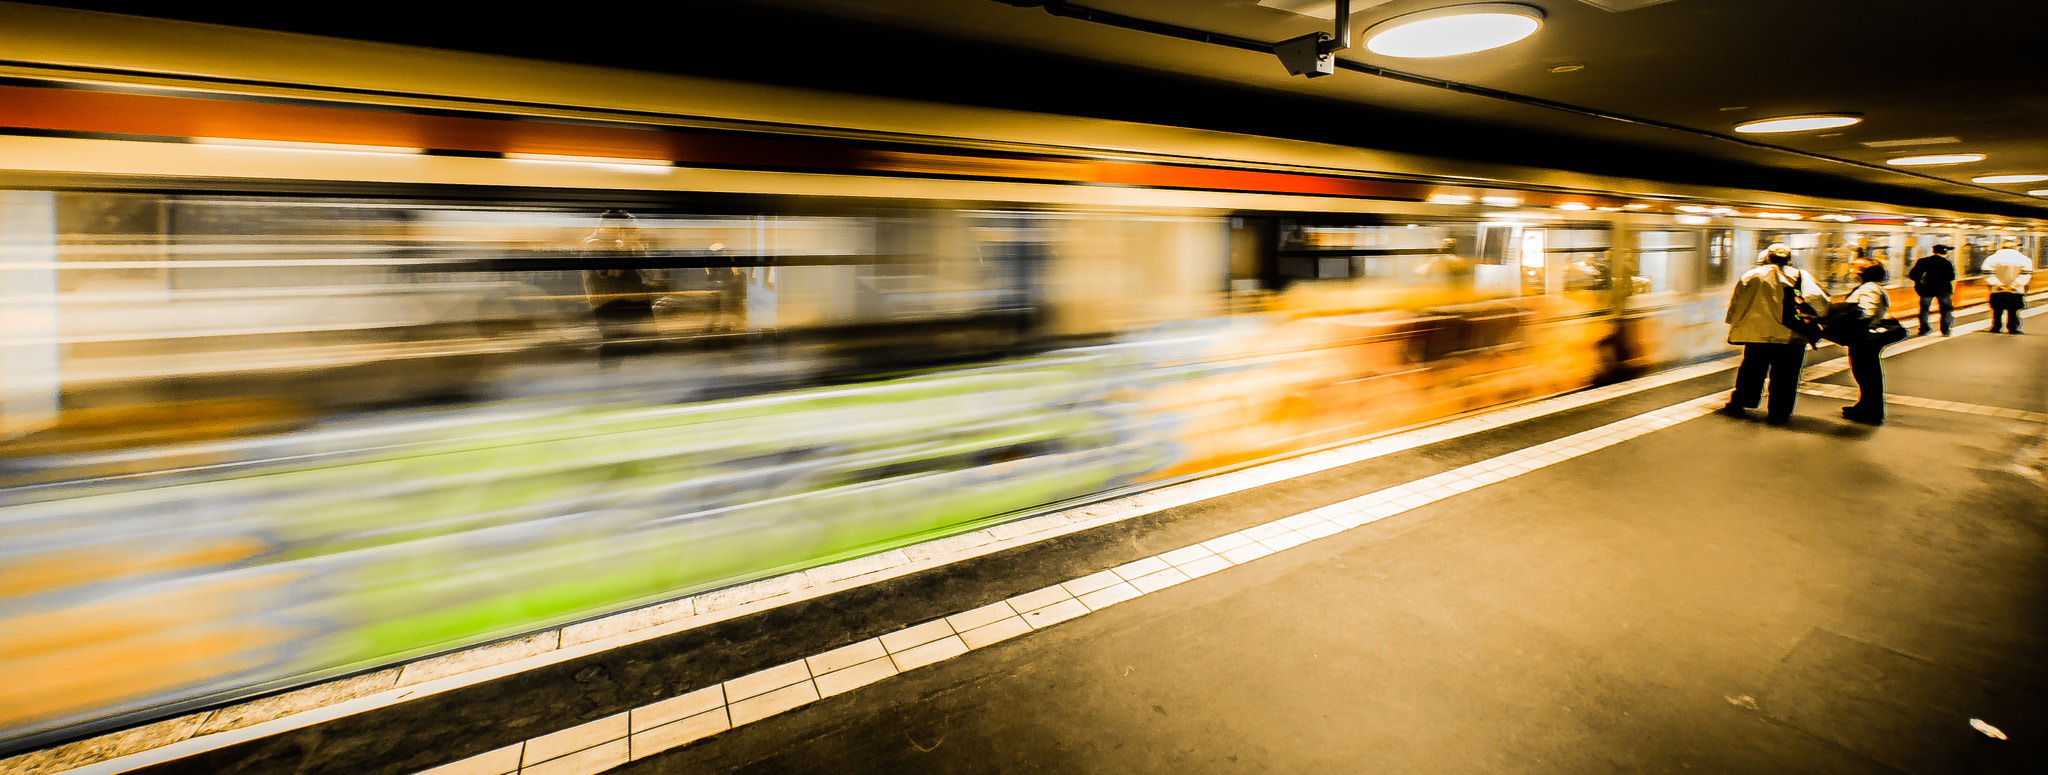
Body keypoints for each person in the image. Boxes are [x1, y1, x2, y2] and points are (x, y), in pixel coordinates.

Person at [1721, 243, 1827, 423]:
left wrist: (1734, 322)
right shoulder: (1801, 276)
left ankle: (1741, 402)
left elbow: (1737, 303)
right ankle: (1779, 412)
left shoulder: (1751, 275)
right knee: (1787, 376)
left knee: (1751, 372)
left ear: (1768, 257)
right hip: (1790, 337)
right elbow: (1819, 302)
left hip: (1758, 335)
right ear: (1790, 258)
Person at [580, 210, 666, 364]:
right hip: (610, 304)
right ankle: (609, 382)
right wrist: (626, 247)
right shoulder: (593, 244)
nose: (626, 231)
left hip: (636, 301)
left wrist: (636, 245)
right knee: (615, 347)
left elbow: (649, 273)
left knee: (651, 343)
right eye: (624, 227)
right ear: (612, 226)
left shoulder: (620, 244)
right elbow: (612, 272)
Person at [1839, 262, 1893, 425]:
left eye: (1855, 266)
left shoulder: (1869, 288)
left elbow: (1866, 312)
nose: (1851, 268)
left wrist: (1846, 320)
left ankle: (1871, 411)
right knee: (1866, 373)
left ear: (1864, 272)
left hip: (1864, 337)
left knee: (1866, 373)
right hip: (1864, 336)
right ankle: (1864, 406)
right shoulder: (1870, 287)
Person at [1983, 241, 2032, 334]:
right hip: (2015, 291)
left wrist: (1998, 285)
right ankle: (2013, 328)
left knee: (1997, 311)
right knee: (2013, 311)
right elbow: (2025, 275)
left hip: (1997, 291)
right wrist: (2013, 286)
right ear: (2016, 247)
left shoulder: (1991, 259)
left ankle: (1996, 327)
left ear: (2002, 246)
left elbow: (1987, 274)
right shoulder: (2024, 259)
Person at [1906, 244, 1956, 336]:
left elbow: (1912, 275)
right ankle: (1946, 330)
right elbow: (1952, 277)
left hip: (1926, 289)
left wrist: (1919, 284)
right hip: (1943, 290)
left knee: (1924, 310)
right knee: (1946, 310)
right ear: (1944, 252)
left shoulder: (1923, 261)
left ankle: (1924, 329)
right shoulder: (1947, 263)